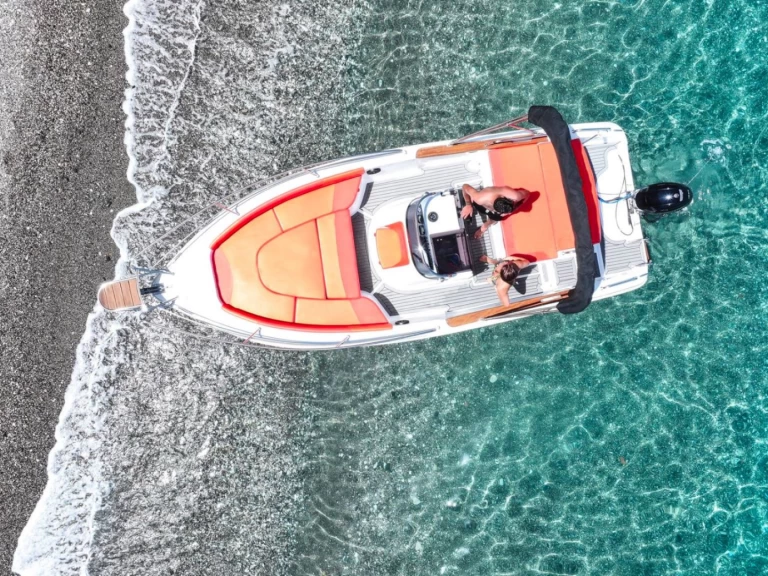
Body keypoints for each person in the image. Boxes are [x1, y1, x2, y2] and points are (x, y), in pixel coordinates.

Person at [460, 183, 530, 238]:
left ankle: (485, 226)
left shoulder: (515, 195)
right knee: (471, 202)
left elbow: (527, 194)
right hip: (482, 204)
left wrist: (514, 209)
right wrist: (468, 204)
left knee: (496, 218)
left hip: (496, 209)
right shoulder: (480, 198)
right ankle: (470, 207)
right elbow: (465, 187)